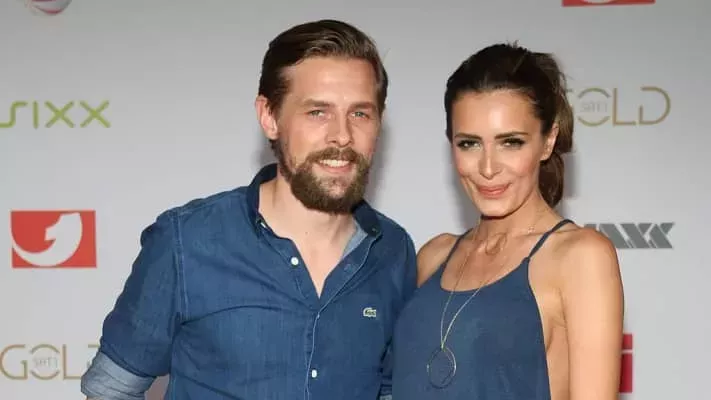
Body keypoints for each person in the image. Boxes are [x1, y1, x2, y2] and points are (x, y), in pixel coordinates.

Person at [80, 19, 416, 400]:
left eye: (360, 113)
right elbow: (111, 389)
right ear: (269, 117)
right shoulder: (187, 242)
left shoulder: (393, 251)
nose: (342, 135)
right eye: (317, 112)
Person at [390, 42, 624, 400]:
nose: (488, 168)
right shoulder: (434, 256)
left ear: (548, 141)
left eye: (511, 142)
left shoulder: (579, 257)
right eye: (469, 144)